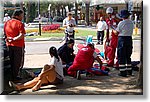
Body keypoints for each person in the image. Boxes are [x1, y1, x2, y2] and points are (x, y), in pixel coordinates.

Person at [4, 9, 26, 81]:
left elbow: (5, 34)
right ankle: (15, 76)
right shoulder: (19, 23)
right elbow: (22, 35)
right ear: (18, 15)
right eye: (22, 15)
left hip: (9, 45)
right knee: (17, 62)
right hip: (18, 45)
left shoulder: (7, 23)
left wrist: (9, 39)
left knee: (11, 61)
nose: (22, 17)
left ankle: (12, 76)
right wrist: (14, 39)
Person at [113, 10, 134, 77]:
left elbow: (116, 32)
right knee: (128, 55)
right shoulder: (131, 22)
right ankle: (129, 71)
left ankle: (123, 72)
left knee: (121, 55)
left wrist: (113, 30)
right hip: (129, 39)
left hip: (122, 39)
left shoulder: (121, 23)